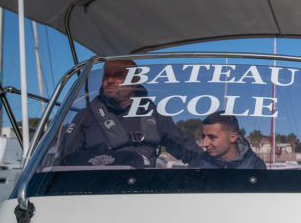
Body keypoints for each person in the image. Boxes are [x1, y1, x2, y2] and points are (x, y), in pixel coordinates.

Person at [59, 59, 206, 167]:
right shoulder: (85, 116)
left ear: (135, 80)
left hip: (142, 188)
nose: (109, 80)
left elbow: (187, 148)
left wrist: (217, 166)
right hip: (95, 188)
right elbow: (65, 159)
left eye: (118, 76)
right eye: (106, 76)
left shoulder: (154, 116)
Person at [200, 114, 267, 169]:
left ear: (233, 137)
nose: (204, 144)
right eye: (203, 137)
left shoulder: (255, 165)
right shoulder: (199, 163)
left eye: (212, 137)